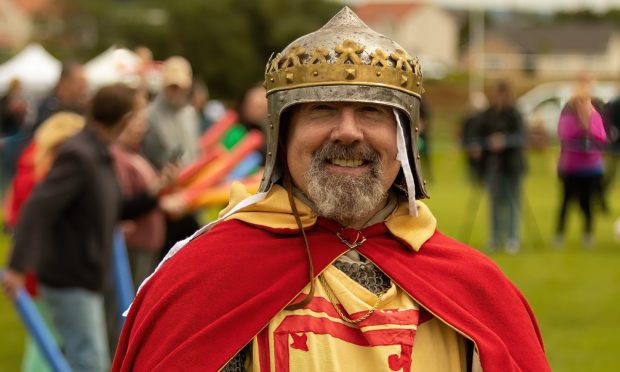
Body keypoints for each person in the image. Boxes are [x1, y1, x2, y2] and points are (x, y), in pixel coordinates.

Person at [112, 8, 550, 372]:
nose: (347, 132)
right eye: (322, 109)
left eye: (370, 112)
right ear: (283, 135)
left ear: (404, 140)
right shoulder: (205, 280)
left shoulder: (474, 290)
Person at [2, 83, 156, 372]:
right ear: (124, 120)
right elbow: (38, 208)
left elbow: (115, 209)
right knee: (90, 362)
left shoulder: (102, 154)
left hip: (90, 275)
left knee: (90, 358)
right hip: (68, 277)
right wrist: (17, 266)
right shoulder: (80, 153)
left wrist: (155, 193)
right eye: (138, 116)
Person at [474, 81, 527, 253]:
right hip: (494, 166)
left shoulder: (515, 114)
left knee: (513, 202)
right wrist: (478, 146)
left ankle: (512, 237)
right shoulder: (489, 114)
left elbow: (521, 136)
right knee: (495, 202)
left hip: (512, 166)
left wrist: (505, 141)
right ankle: (496, 237)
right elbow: (478, 133)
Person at [555, 82, 608, 248]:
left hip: (591, 168)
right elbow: (564, 134)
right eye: (580, 101)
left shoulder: (595, 117)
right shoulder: (568, 117)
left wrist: (589, 123)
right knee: (566, 202)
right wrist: (582, 125)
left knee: (587, 203)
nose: (582, 104)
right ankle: (559, 234)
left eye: (585, 100)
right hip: (571, 167)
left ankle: (588, 234)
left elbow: (602, 137)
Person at [142, 56, 201, 170]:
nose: (176, 91)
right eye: (172, 87)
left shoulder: (190, 113)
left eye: (180, 87)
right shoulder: (150, 114)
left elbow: (195, 151)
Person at [34, 62, 88, 131]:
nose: (84, 87)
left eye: (85, 82)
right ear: (64, 82)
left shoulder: (85, 109)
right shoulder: (47, 107)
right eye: (79, 82)